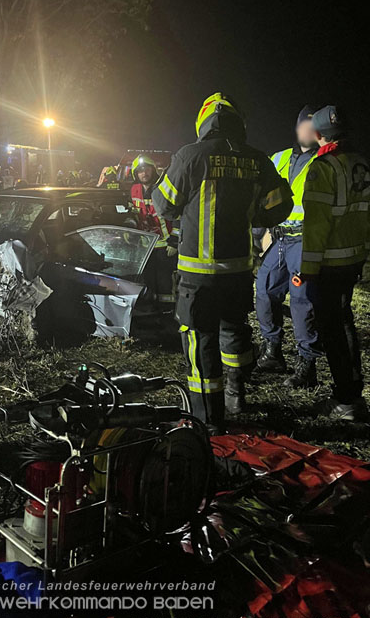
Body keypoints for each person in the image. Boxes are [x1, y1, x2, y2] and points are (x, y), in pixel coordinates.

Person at [152, 93, 293, 431]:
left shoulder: (190, 155)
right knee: (233, 330)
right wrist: (253, 214)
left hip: (198, 276)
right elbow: (281, 205)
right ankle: (236, 391)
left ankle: (209, 421)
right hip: (238, 272)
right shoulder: (257, 159)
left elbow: (165, 205)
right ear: (237, 122)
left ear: (203, 122)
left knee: (201, 342)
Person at [299, 105, 370, 422]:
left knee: (334, 330)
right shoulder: (361, 163)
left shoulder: (323, 167)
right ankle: (350, 393)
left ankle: (347, 400)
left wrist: (307, 271)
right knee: (344, 323)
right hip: (354, 258)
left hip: (328, 264)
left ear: (317, 133)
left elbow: (316, 228)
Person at [255, 106, 322, 387]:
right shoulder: (279, 157)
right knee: (265, 291)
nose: (305, 129)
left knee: (302, 301)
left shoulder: (325, 160)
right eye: (302, 124)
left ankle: (306, 365)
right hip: (278, 238)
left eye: (311, 124)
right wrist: (259, 232)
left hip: (306, 240)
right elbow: (261, 194)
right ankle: (273, 352)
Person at [131, 154, 178, 307]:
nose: (144, 173)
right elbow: (133, 214)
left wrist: (174, 241)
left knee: (165, 282)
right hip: (146, 247)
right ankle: (152, 311)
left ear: (153, 170)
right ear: (136, 174)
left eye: (147, 169)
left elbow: (177, 215)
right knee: (149, 281)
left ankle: (167, 313)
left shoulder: (163, 188)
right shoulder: (134, 190)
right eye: (140, 171)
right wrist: (129, 229)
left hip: (165, 246)